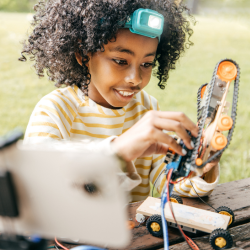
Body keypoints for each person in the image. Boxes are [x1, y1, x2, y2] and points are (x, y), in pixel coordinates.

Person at [20, 0, 219, 202]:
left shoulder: (146, 108)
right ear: (83, 54)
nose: (136, 78)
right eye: (121, 61)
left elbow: (169, 183)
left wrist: (200, 165)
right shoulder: (54, 110)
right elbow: (37, 184)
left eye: (147, 63)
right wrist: (116, 152)